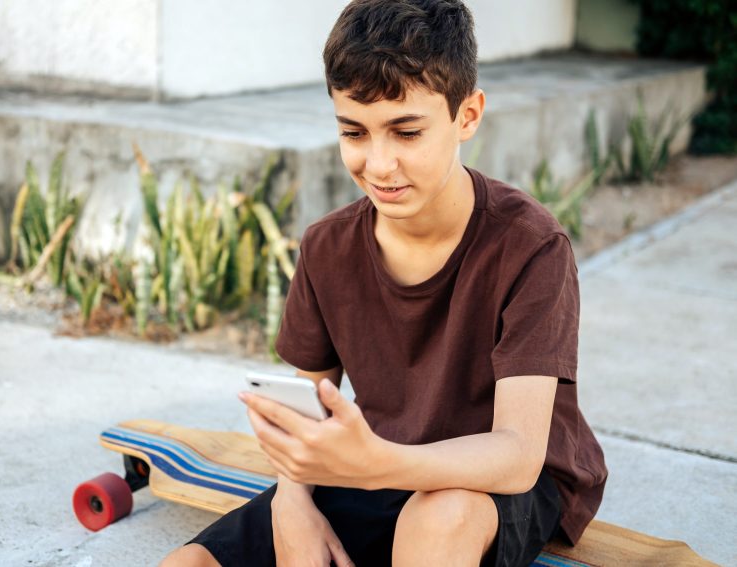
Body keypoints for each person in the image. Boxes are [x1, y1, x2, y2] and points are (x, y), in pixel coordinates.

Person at [160, 1, 607, 565]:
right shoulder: (327, 247)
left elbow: (517, 454)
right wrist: (293, 504)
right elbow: (305, 409)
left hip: (498, 476)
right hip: (377, 459)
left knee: (435, 522)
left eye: (406, 132)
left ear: (467, 116)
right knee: (185, 563)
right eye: (354, 132)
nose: (379, 164)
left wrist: (373, 465)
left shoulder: (530, 246)